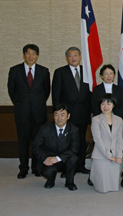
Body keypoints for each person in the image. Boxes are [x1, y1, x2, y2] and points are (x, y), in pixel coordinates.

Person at [7, 44, 50, 179]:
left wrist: (36, 103)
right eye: (28, 53)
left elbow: (46, 91)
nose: (31, 56)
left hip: (38, 113)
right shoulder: (14, 70)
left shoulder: (44, 71)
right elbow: (12, 91)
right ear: (24, 54)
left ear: (37, 56)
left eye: (34, 54)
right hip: (22, 113)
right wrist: (21, 104)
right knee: (23, 142)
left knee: (38, 142)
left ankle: (37, 168)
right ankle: (23, 168)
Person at [52, 47, 91, 174]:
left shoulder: (86, 71)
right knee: (66, 142)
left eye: (75, 55)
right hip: (67, 115)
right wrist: (59, 114)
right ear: (66, 58)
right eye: (70, 55)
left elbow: (90, 94)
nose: (73, 58)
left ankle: (81, 165)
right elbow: (56, 95)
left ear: (80, 57)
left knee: (81, 141)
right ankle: (66, 168)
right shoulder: (60, 72)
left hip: (83, 113)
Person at [32, 104, 79, 191]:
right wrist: (45, 159)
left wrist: (57, 158)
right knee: (48, 171)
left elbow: (74, 149)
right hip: (48, 160)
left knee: (73, 159)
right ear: (53, 116)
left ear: (68, 116)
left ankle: (69, 182)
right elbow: (36, 147)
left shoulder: (73, 130)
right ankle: (50, 180)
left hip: (64, 159)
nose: (59, 118)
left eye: (62, 114)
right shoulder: (44, 128)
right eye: (56, 115)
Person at [89, 94, 123, 193]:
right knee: (103, 188)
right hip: (101, 155)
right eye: (103, 104)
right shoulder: (96, 120)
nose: (105, 107)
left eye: (108, 104)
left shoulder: (119, 120)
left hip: (115, 154)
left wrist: (119, 156)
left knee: (114, 187)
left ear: (113, 105)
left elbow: (119, 139)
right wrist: (108, 155)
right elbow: (98, 140)